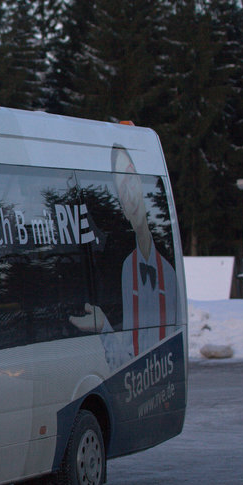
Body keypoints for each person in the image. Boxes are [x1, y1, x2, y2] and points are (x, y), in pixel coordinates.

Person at [70, 145, 177, 370]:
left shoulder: (169, 273)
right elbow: (127, 364)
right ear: (123, 208)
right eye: (121, 190)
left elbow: (171, 351)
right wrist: (104, 328)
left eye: (130, 180)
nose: (128, 194)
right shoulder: (127, 269)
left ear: (139, 184)